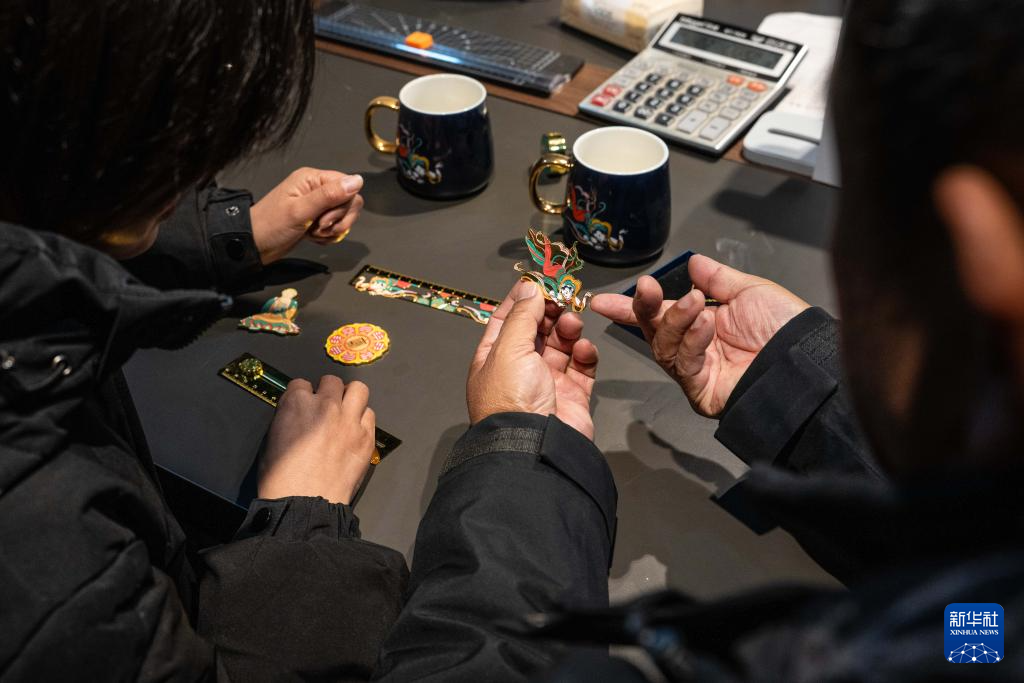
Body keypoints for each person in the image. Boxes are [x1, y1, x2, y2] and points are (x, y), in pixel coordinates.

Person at [376, 0, 1024, 679]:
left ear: (974, 248)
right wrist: (795, 384)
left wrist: (514, 456)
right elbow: (973, 600)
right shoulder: (978, 630)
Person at [0, 1, 406, 680]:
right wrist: (299, 524)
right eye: (181, 144)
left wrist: (227, 233)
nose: (204, 169)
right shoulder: (45, 551)